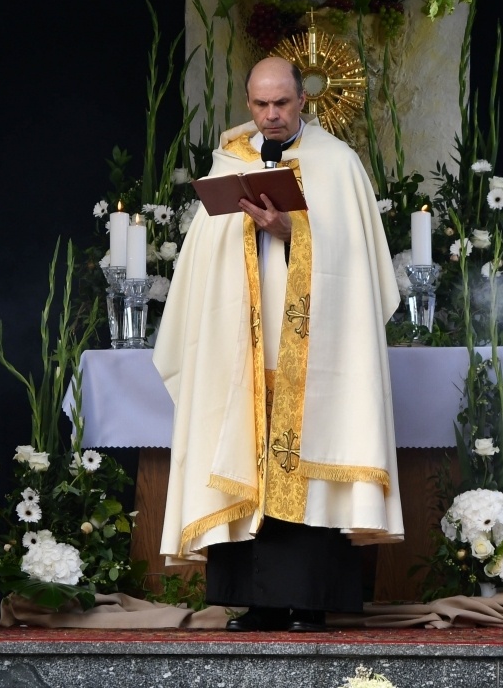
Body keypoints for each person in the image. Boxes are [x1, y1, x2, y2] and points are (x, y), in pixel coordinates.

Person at [154, 57, 403, 633]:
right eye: (261, 104)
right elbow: (203, 266)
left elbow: (361, 269)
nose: (270, 115)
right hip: (241, 353)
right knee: (246, 454)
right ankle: (256, 599)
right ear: (248, 102)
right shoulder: (228, 163)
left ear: (303, 101)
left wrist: (295, 233)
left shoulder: (336, 165)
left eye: (282, 104)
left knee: (306, 464)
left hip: (311, 356)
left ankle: (308, 600)